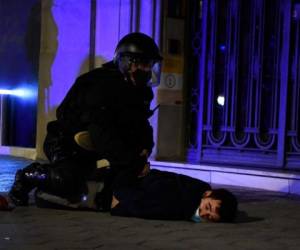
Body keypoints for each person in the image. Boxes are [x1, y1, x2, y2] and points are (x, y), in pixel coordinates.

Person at [8, 32, 163, 208]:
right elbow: (101, 132)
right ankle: (30, 176)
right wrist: (129, 159)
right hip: (66, 143)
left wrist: (143, 151)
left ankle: (83, 191)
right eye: (144, 64)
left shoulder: (138, 91)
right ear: (128, 63)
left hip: (97, 148)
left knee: (123, 183)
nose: (148, 70)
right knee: (68, 182)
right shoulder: (99, 85)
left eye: (150, 64)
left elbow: (141, 125)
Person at [33, 168, 238, 223]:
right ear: (208, 194)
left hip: (118, 199)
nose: (205, 214)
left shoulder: (186, 208)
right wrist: (123, 196)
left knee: (57, 198)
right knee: (66, 185)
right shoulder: (186, 197)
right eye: (209, 208)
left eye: (211, 217)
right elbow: (159, 183)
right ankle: (33, 177)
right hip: (118, 191)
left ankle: (39, 186)